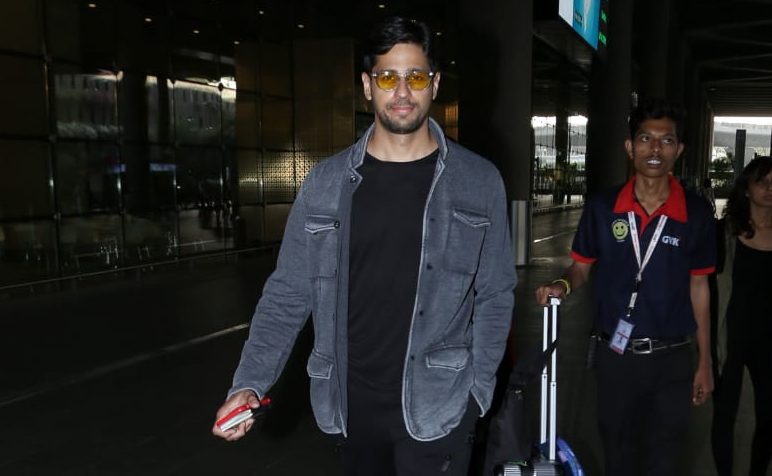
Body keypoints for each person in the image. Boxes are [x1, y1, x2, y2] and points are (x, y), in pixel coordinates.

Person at [211, 16, 517, 476]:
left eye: (415, 77)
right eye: (387, 77)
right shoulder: (326, 184)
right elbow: (288, 292)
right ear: (367, 86)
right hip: (351, 411)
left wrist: (478, 391)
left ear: (434, 84)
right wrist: (249, 382)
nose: (402, 92)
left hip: (439, 409)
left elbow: (495, 291)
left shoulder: (478, 181)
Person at [535, 98, 717, 476]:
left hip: (672, 359)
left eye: (666, 140)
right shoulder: (603, 208)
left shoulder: (697, 213)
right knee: (618, 457)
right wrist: (561, 285)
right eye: (646, 139)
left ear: (679, 150)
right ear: (630, 147)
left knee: (664, 462)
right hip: (616, 357)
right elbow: (580, 268)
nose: (655, 149)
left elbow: (700, 287)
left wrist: (705, 361)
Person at [711, 156, 772, 476]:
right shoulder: (724, 233)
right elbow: (704, 286)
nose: (770, 188)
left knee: (771, 417)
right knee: (724, 416)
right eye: (761, 181)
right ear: (747, 188)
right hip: (729, 336)